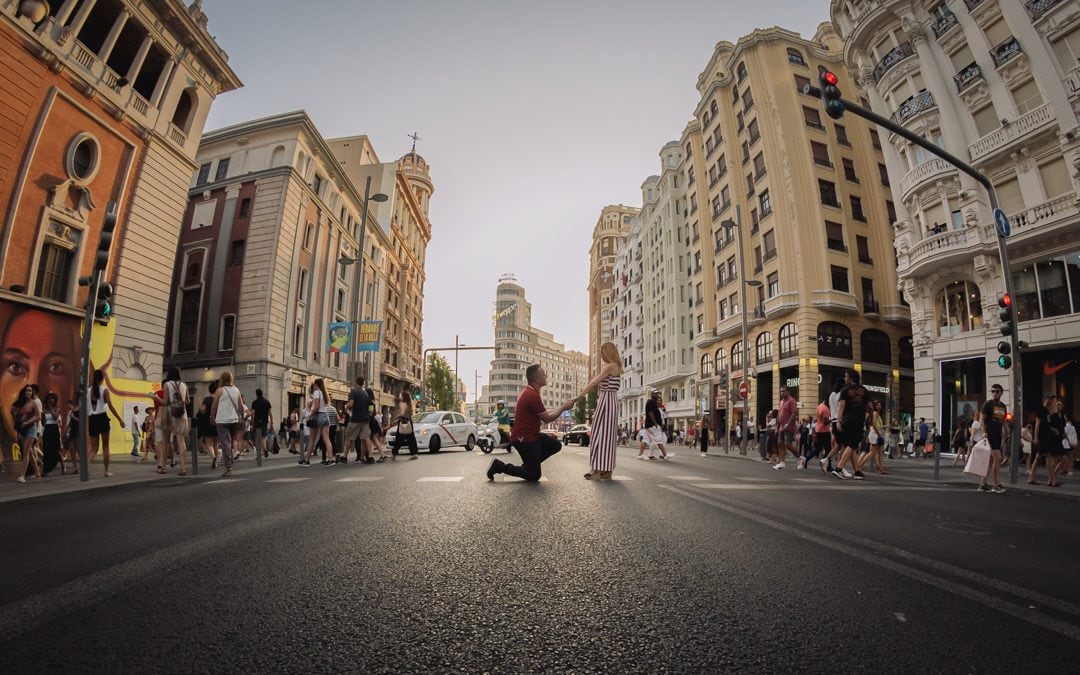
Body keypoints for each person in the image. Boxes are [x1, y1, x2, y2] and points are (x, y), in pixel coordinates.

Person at [486, 364, 576, 482]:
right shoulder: (531, 395)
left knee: (555, 445)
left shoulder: (531, 392)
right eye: (543, 374)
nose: (546, 376)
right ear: (536, 378)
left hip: (532, 436)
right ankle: (499, 466)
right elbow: (547, 419)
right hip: (523, 439)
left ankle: (531, 464)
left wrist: (562, 407)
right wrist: (563, 408)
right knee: (534, 475)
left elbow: (544, 413)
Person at [578, 341, 621, 480]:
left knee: (599, 435)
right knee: (608, 437)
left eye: (602, 353)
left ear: (608, 352)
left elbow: (593, 383)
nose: (601, 356)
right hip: (611, 401)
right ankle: (606, 471)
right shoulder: (616, 366)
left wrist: (578, 396)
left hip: (606, 401)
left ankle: (597, 470)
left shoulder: (610, 366)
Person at [151, 366, 190, 476]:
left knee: (166, 441)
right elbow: (187, 401)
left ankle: (163, 467)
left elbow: (165, 402)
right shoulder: (184, 385)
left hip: (169, 414)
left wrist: (155, 398)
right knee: (181, 441)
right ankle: (183, 468)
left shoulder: (167, 385)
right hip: (182, 414)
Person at [831, 369, 868, 480]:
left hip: (846, 421)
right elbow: (870, 406)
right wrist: (870, 417)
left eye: (846, 376)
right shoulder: (864, 390)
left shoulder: (844, 390)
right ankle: (839, 468)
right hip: (858, 421)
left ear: (851, 378)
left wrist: (839, 421)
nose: (845, 378)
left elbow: (841, 406)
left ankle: (857, 471)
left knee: (851, 446)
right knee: (852, 445)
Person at [87, 369, 124, 477]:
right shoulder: (104, 390)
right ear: (102, 379)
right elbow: (111, 406)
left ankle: (85, 468)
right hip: (102, 418)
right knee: (106, 447)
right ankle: (106, 470)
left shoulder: (88, 391)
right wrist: (119, 419)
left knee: (94, 449)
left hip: (92, 419)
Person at [211, 371, 244, 477]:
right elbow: (241, 405)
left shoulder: (219, 390)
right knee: (229, 443)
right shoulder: (236, 390)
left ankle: (228, 467)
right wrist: (242, 417)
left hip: (222, 420)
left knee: (225, 443)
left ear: (222, 379)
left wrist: (212, 416)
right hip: (234, 420)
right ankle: (229, 462)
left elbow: (214, 406)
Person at [976, 384, 1007, 494]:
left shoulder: (1003, 406)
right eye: (993, 391)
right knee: (998, 458)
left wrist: (1006, 433)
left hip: (998, 435)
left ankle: (983, 484)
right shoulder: (988, 404)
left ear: (1001, 393)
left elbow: (1003, 421)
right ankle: (997, 484)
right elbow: (981, 419)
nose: (994, 393)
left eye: (997, 391)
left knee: (991, 461)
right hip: (989, 435)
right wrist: (983, 432)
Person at [12, 384, 41, 483]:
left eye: (30, 391)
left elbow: (38, 416)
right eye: (27, 390)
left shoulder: (33, 402)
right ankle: (37, 472)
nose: (28, 392)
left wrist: (28, 422)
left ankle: (22, 475)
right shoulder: (21, 404)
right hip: (22, 430)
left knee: (26, 450)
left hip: (31, 429)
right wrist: (14, 414)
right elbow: (17, 416)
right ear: (23, 392)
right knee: (30, 452)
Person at [300, 379, 333, 467]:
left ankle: (306, 460)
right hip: (325, 415)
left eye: (314, 385)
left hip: (318, 415)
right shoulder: (323, 393)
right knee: (327, 439)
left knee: (312, 439)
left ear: (316, 385)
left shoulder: (316, 392)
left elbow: (317, 406)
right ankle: (331, 459)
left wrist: (309, 416)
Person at [1030, 394, 1058, 486]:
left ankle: (1031, 478)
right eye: (1050, 399)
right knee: (1048, 458)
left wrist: (1053, 430)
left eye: (1052, 400)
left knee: (1038, 457)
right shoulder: (1041, 410)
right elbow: (1037, 424)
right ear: (1045, 399)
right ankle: (1053, 480)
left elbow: (1046, 425)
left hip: (1046, 437)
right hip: (1042, 438)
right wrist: (1036, 437)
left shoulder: (1047, 411)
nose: (1051, 401)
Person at [344, 377, 372, 464]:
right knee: (366, 438)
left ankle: (344, 457)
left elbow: (351, 404)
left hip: (355, 418)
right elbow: (370, 407)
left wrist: (347, 407)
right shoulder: (366, 393)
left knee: (349, 437)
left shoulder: (354, 391)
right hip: (365, 419)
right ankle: (370, 456)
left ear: (356, 383)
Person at [637, 389, 669, 460]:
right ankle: (665, 455)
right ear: (652, 394)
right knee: (659, 440)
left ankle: (640, 455)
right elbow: (650, 413)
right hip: (652, 425)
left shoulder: (654, 403)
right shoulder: (651, 402)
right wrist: (655, 423)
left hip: (650, 425)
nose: (657, 395)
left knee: (646, 440)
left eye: (658, 393)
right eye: (656, 393)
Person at [773, 386, 800, 470]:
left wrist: (788, 424)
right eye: (781, 391)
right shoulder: (781, 402)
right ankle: (782, 462)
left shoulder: (791, 401)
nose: (782, 393)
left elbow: (794, 413)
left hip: (788, 427)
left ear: (788, 391)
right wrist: (777, 427)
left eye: (784, 391)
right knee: (780, 444)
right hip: (781, 427)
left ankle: (800, 457)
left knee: (788, 445)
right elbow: (779, 415)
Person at [858, 400, 887, 474]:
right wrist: (879, 434)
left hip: (876, 433)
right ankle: (860, 465)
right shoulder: (875, 413)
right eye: (877, 405)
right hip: (875, 434)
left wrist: (884, 427)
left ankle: (880, 469)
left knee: (880, 453)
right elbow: (873, 424)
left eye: (880, 405)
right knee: (872, 452)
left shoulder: (877, 414)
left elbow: (877, 425)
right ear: (875, 406)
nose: (879, 406)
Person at [390, 391, 420, 460]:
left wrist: (397, 416)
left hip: (403, 422)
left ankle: (394, 454)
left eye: (401, 395)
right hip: (409, 422)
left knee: (398, 439)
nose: (400, 396)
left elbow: (402, 414)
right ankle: (414, 453)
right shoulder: (409, 404)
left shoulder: (403, 404)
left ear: (403, 397)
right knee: (411, 439)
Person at [198, 382, 220, 469]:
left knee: (209, 443)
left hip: (208, 422)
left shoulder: (206, 400)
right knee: (216, 443)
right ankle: (216, 460)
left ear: (209, 390)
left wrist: (199, 403)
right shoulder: (219, 399)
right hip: (217, 422)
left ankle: (213, 457)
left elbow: (202, 410)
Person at [40, 392, 62, 476]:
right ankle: (46, 469)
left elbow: (55, 417)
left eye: (52, 399)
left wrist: (51, 409)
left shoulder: (57, 408)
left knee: (55, 447)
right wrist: (43, 415)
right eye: (50, 399)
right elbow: (43, 422)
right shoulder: (44, 409)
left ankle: (53, 463)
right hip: (47, 429)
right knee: (46, 448)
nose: (51, 400)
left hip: (54, 428)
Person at [811, 397, 831, 473]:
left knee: (818, 449)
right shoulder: (825, 409)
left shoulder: (819, 406)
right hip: (824, 431)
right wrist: (831, 420)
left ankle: (807, 458)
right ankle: (827, 464)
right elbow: (825, 422)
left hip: (818, 429)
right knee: (828, 448)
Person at [251, 388, 273, 459]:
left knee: (257, 438)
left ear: (256, 394)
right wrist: (272, 422)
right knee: (263, 436)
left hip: (256, 422)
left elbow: (253, 413)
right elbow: (270, 413)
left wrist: (252, 423)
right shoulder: (267, 402)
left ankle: (259, 454)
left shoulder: (254, 402)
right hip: (264, 422)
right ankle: (265, 449)